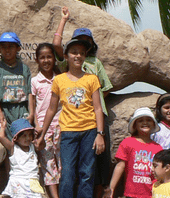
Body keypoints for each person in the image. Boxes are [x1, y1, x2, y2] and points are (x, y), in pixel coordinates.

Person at [52, 9, 117, 196]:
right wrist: (63, 19)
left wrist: (93, 104)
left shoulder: (95, 63)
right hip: (72, 125)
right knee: (70, 170)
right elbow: (56, 44)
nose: (79, 52)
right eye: (77, 43)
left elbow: (105, 87)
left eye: (86, 43)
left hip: (94, 118)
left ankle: (102, 190)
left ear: (90, 45)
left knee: (95, 164)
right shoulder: (66, 66)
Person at [36, 39, 106, 198]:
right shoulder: (59, 80)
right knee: (67, 173)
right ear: (66, 56)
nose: (78, 56)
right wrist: (42, 135)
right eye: (74, 52)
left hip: (89, 130)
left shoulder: (91, 79)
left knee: (87, 172)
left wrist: (100, 134)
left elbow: (98, 108)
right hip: (68, 132)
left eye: (82, 53)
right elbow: (52, 109)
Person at [105, 107, 163, 198]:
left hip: (151, 194)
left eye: (148, 120)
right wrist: (111, 188)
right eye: (140, 121)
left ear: (153, 124)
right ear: (135, 125)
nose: (145, 122)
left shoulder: (158, 148)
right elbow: (120, 165)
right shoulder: (128, 142)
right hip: (131, 194)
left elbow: (160, 172)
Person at [29, 42, 63, 198]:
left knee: (63, 162)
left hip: (62, 126)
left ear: (54, 59)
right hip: (44, 128)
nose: (46, 60)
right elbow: (33, 106)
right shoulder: (35, 81)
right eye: (42, 57)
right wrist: (37, 125)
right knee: (48, 164)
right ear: (37, 60)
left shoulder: (61, 79)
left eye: (49, 56)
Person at [0, 31, 31, 125]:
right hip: (4, 109)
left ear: (18, 48)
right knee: (4, 137)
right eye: (4, 47)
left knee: (23, 137)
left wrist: (31, 112)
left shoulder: (24, 68)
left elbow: (30, 91)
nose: (7, 50)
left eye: (11, 46)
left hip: (22, 108)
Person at [0, 119, 47, 197]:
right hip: (18, 181)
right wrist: (3, 127)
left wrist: (39, 134)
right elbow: (1, 137)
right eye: (24, 135)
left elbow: (43, 145)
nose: (28, 138)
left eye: (30, 135)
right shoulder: (13, 148)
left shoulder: (33, 147)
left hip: (33, 181)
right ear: (16, 138)